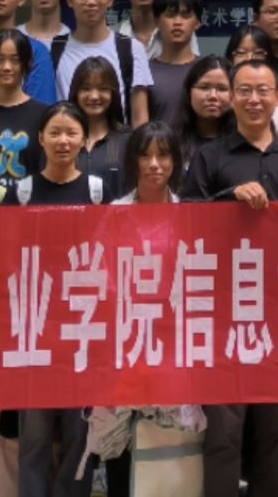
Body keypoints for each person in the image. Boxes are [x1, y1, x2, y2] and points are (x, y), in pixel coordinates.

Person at [182, 61, 278, 497]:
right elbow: (187, 220)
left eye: (263, 91)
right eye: (244, 91)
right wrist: (228, 198)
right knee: (224, 429)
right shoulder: (209, 156)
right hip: (225, 307)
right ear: (232, 98)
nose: (254, 100)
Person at [90, 122, 206, 497]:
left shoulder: (188, 215)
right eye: (145, 155)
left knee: (169, 437)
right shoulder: (115, 213)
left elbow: (198, 277)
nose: (155, 164)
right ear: (133, 160)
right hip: (124, 341)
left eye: (163, 155)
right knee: (121, 434)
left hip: (174, 343)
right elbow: (100, 273)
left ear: (176, 161)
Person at [7, 103, 106, 496]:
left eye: (71, 133)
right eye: (55, 132)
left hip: (83, 328)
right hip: (35, 329)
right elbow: (5, 255)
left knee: (78, 434)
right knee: (34, 434)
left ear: (84, 140)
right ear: (41, 138)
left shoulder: (99, 191)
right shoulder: (22, 192)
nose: (63, 141)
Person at [52, 0, 152, 121]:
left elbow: (140, 117)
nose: (91, 1)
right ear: (69, 0)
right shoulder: (54, 49)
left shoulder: (131, 48)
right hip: (67, 136)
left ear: (110, 0)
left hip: (118, 137)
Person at [0, 29, 48, 192]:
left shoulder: (44, 116)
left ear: (27, 64)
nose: (7, 67)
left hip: (28, 204)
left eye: (15, 60)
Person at [62, 55, 131, 194]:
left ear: (113, 93)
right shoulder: (62, 140)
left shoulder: (128, 139)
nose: (94, 96)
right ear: (76, 93)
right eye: (86, 88)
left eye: (103, 88)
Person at [147, 0, 204, 126]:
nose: (178, 22)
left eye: (186, 15)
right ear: (157, 21)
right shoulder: (144, 71)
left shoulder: (206, 70)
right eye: (170, 15)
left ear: (197, 23)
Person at [177, 55, 235, 168]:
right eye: (204, 87)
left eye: (222, 89)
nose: (213, 96)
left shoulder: (245, 143)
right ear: (189, 92)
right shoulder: (171, 143)